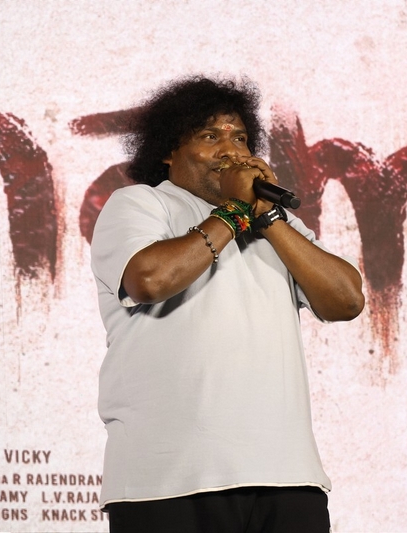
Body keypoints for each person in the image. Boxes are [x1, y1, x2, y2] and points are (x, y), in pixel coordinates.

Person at [90, 76, 365, 533]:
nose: (231, 151)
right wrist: (235, 211)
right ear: (168, 151)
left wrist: (267, 217)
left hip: (287, 478)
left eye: (239, 138)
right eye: (209, 136)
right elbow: (150, 279)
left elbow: (347, 300)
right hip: (168, 480)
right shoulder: (141, 203)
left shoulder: (274, 223)